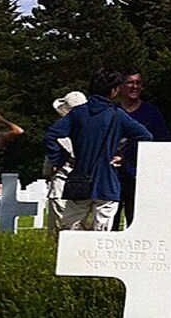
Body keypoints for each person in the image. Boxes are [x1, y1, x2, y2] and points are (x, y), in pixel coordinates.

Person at [44, 67, 153, 231]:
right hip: (107, 183)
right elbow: (145, 136)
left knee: (70, 234)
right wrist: (124, 156)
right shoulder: (117, 115)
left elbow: (51, 135)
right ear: (114, 90)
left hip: (79, 179)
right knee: (101, 238)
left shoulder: (78, 113)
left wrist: (62, 158)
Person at [113, 66, 171, 230]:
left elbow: (162, 143)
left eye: (138, 83)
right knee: (111, 221)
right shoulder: (112, 112)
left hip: (141, 175)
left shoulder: (152, 113)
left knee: (137, 222)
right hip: (114, 175)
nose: (134, 87)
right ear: (120, 87)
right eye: (130, 82)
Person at [44, 91, 87, 234]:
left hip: (78, 176)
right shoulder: (60, 129)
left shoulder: (86, 130)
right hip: (62, 175)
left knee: (74, 215)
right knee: (58, 207)